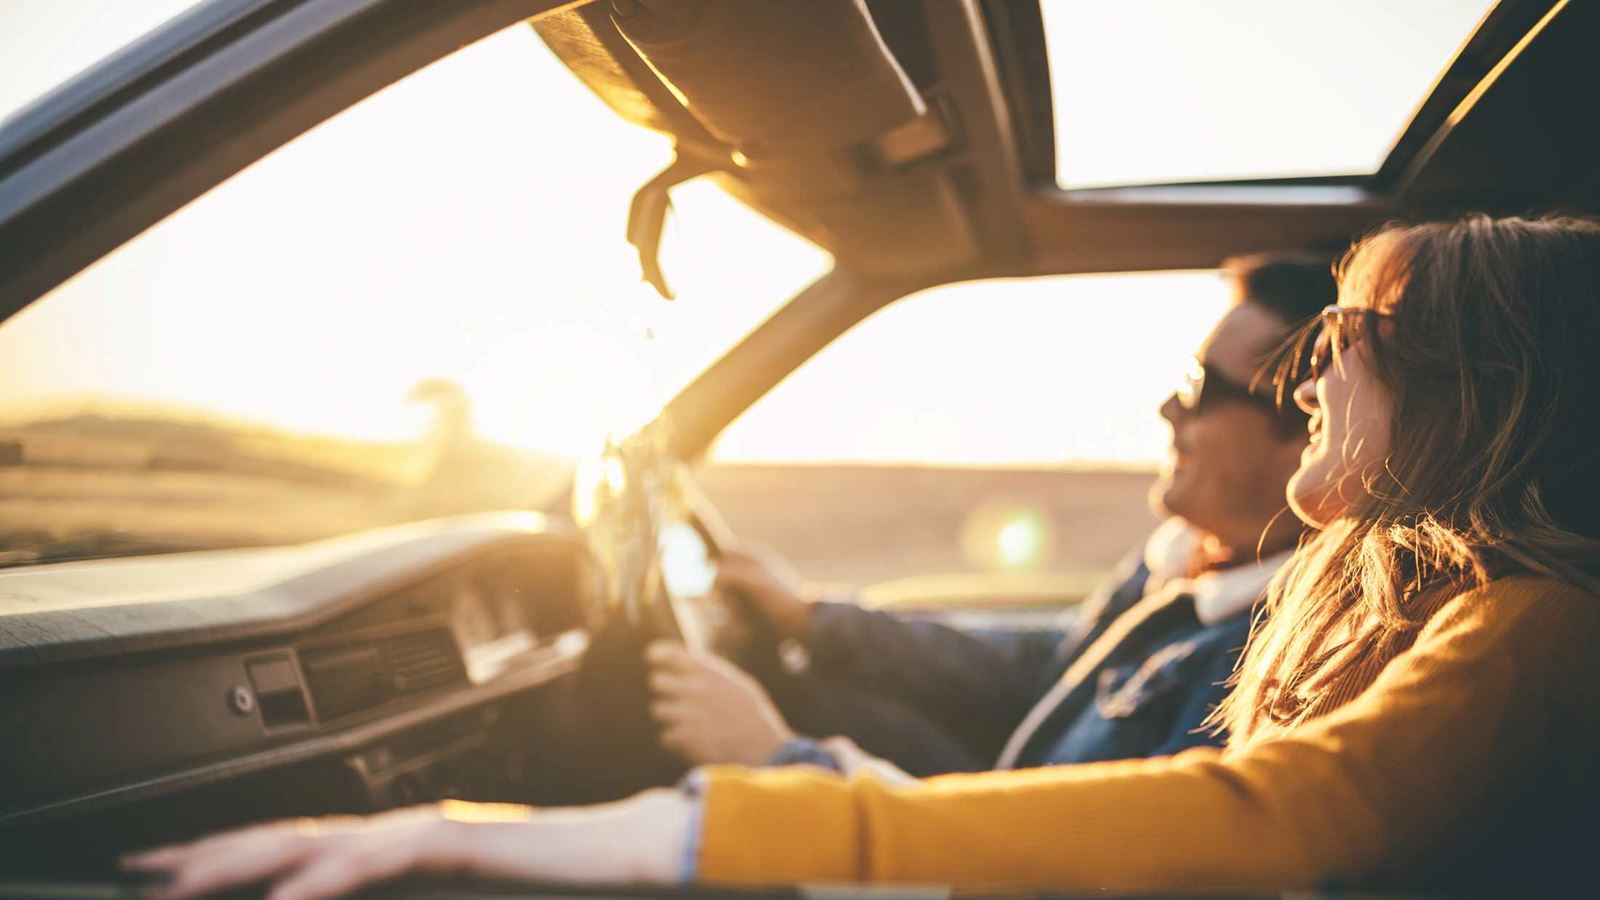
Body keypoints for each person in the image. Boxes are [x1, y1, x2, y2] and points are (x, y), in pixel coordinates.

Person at [127, 214, 1600, 898]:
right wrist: (812, 624)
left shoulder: (1540, 628)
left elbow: (1278, 817)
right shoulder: (1357, 608)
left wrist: (721, 803)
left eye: (1349, 340)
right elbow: (1034, 672)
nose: (1306, 380)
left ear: (1486, 388)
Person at [644, 255, 1334, 780]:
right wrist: (812, 619)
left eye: (1203, 389)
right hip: (992, 801)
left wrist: (781, 759)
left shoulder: (1262, 664)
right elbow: (1042, 667)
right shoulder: (1185, 563)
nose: (1168, 411)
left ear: (1302, 428)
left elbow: (1069, 867)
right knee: (815, 687)